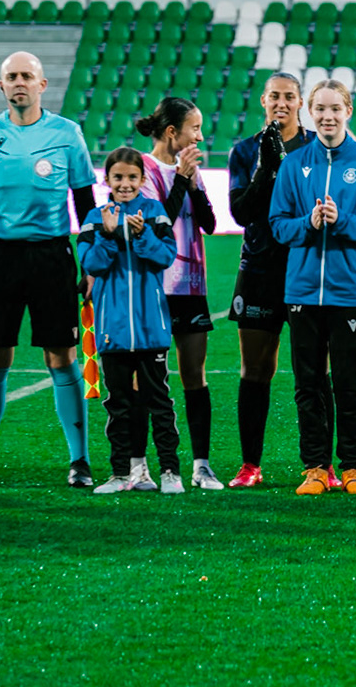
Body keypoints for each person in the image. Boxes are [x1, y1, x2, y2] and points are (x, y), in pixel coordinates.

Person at [0, 51, 97, 489]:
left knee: (62, 357)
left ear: (41, 84)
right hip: (0, 257)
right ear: (1, 86)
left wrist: (88, 263)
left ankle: (80, 462)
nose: (19, 82)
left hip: (52, 256)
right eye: (11, 76)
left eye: (26, 76)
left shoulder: (67, 134)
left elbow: (85, 204)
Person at [269, 80, 356, 496]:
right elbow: (279, 225)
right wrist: (309, 223)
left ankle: (354, 467)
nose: (327, 116)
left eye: (335, 108)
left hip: (350, 291)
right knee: (308, 383)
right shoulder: (294, 164)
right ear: (309, 112)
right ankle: (316, 467)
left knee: (349, 381)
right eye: (319, 109)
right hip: (302, 291)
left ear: (348, 111)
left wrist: (340, 221)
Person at [226, 71, 315, 488]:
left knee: (313, 369)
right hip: (259, 271)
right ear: (263, 101)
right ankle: (250, 465)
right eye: (274, 96)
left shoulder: (316, 147)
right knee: (255, 369)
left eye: (289, 97)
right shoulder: (244, 151)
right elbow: (241, 213)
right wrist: (266, 167)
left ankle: (319, 464)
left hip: (305, 269)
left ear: (300, 103)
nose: (282, 103)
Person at [80, 149, 181, 494]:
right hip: (114, 330)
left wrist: (140, 236)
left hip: (152, 329)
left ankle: (170, 471)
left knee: (160, 403)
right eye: (118, 177)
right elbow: (92, 265)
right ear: (106, 180)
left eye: (132, 177)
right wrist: (109, 235)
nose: (125, 184)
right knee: (118, 405)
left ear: (143, 180)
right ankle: (121, 474)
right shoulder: (95, 218)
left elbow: (165, 257)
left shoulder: (154, 213)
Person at [136, 96, 222, 490]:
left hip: (191, 285)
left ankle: (201, 465)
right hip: (153, 287)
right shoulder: (143, 169)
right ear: (173, 132)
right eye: (195, 128)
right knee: (147, 378)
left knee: (194, 375)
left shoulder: (188, 170)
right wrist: (183, 180)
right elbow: (159, 226)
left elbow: (209, 223)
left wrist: (192, 182)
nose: (201, 136)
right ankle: (142, 465)